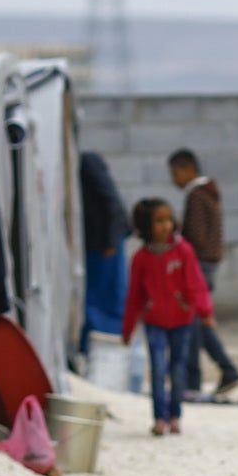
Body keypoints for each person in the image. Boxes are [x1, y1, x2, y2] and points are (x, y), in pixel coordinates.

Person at [120, 197, 214, 436]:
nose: (166, 226)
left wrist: (204, 311)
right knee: (158, 368)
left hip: (182, 320)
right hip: (154, 322)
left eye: (168, 219)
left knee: (177, 368)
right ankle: (159, 417)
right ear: (145, 226)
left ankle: (175, 415)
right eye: (159, 221)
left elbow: (196, 283)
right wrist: (128, 327)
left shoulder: (183, 251)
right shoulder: (141, 259)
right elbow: (134, 296)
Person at [168, 148, 238, 399]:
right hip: (207, 264)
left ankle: (200, 379)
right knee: (196, 323)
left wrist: (176, 234)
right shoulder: (207, 194)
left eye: (175, 173)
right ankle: (210, 375)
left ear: (188, 169)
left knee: (193, 323)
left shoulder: (197, 197)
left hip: (199, 266)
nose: (174, 180)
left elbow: (196, 238)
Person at [78, 150, 129, 357]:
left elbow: (111, 202)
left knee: (105, 298)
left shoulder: (87, 163)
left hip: (105, 244)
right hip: (99, 243)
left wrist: (111, 240)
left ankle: (107, 347)